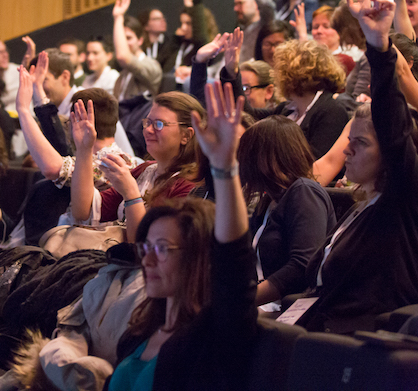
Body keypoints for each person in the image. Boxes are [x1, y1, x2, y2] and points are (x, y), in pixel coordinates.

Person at [108, 80, 256, 390]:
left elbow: (235, 261)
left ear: (196, 256)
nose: (146, 259)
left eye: (162, 248)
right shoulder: (140, 330)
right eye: (147, 246)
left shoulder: (214, 333)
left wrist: (224, 167)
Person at [298, 0, 418, 333]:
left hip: (367, 348)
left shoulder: (405, 197)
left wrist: (379, 44)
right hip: (320, 330)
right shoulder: (361, 205)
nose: (348, 150)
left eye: (362, 144)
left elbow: (392, 122)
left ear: (390, 153)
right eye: (349, 141)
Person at [70, 92, 204, 242]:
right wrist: (84, 149)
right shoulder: (146, 170)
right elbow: (83, 211)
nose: (147, 130)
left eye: (159, 124)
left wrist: (131, 193)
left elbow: (145, 245)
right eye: (147, 122)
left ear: (186, 135)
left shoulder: (191, 186)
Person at [237, 116, 336, 309]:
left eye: (247, 153)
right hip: (267, 304)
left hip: (290, 308)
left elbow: (302, 266)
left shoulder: (304, 192)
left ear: (268, 156)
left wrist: (242, 302)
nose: (241, 162)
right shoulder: (268, 200)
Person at [111, 0, 163, 101]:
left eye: (128, 38)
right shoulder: (122, 75)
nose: (123, 43)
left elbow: (123, 56)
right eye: (122, 38)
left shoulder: (152, 65)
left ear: (140, 40)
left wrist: (119, 17)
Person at [171, 0, 219, 89]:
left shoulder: (203, 45)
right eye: (182, 23)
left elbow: (200, 36)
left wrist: (197, 3)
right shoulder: (181, 44)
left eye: (188, 23)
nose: (183, 27)